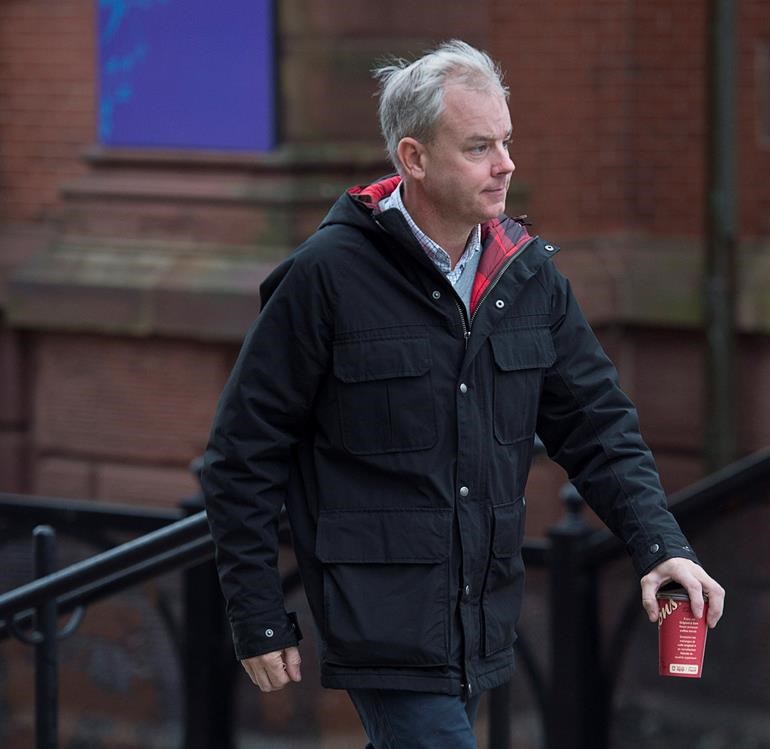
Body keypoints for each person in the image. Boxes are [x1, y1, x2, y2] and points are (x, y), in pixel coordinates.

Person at [201, 39, 724, 748]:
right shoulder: (325, 277)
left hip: (482, 612)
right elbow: (242, 452)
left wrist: (660, 542)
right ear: (413, 158)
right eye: (479, 146)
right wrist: (257, 612)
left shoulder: (527, 276)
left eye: (506, 141)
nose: (505, 164)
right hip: (380, 619)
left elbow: (599, 425)